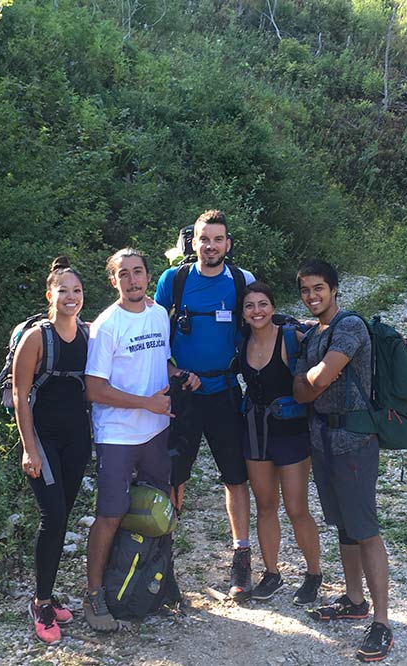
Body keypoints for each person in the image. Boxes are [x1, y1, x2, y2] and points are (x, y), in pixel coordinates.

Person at [83, 248, 199, 632]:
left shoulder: (157, 316)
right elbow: (95, 389)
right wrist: (145, 403)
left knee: (161, 508)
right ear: (112, 281)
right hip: (117, 434)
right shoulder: (106, 325)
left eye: (138, 272)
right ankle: (95, 595)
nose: (132, 280)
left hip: (155, 430)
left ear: (149, 276)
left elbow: (160, 362)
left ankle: (159, 582)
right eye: (124, 274)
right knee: (111, 513)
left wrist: (180, 373)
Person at [292, 260, 394, 663]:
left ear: (335, 289)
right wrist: (311, 380)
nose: (312, 296)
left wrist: (312, 380)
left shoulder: (350, 327)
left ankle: (382, 622)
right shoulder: (312, 335)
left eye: (319, 288)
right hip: (322, 439)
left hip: (353, 441)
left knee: (365, 529)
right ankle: (355, 600)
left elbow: (314, 382)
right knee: (344, 526)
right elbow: (304, 390)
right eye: (305, 291)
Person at [154, 209, 257, 601]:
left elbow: (260, 326)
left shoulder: (240, 281)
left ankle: (241, 557)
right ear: (191, 242)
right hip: (184, 394)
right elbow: (152, 339)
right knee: (175, 475)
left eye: (218, 239)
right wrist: (174, 375)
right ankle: (162, 560)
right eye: (203, 239)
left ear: (228, 244)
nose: (210, 246)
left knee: (235, 476)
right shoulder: (173, 280)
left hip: (226, 391)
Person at [12, 257, 91, 645]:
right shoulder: (37, 338)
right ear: (50, 295)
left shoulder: (88, 335)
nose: (71, 297)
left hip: (78, 440)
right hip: (43, 440)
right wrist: (29, 449)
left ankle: (48, 592)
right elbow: (19, 394)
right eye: (63, 291)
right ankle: (41, 603)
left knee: (61, 518)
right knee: (53, 515)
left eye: (76, 291)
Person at [238, 282, 323, 605]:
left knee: (297, 509)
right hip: (255, 431)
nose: (257, 311)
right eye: (249, 306)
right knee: (265, 506)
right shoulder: (241, 340)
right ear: (243, 313)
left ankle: (314, 573)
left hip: (291, 432)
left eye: (262, 304)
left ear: (273, 307)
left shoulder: (292, 338)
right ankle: (272, 572)